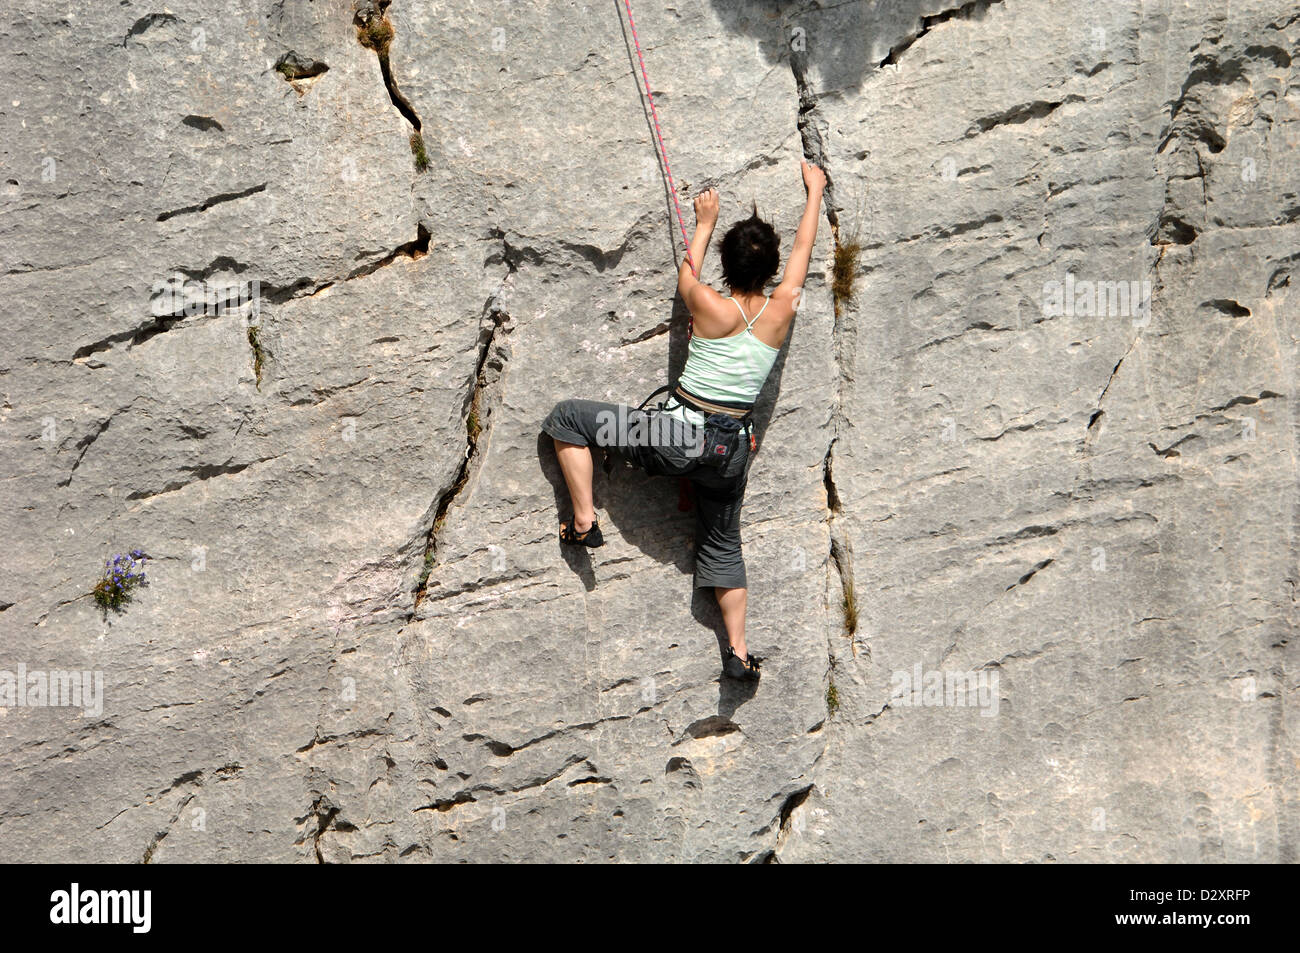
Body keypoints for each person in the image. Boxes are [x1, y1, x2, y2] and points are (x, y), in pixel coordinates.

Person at [542, 159, 828, 681]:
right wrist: (815, 192)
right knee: (723, 544)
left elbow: (687, 275)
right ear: (771, 270)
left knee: (568, 419)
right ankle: (738, 653)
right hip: (729, 455)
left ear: (728, 262)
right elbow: (805, 251)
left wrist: (703, 223)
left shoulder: (709, 305)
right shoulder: (783, 307)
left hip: (674, 438)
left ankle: (584, 521)